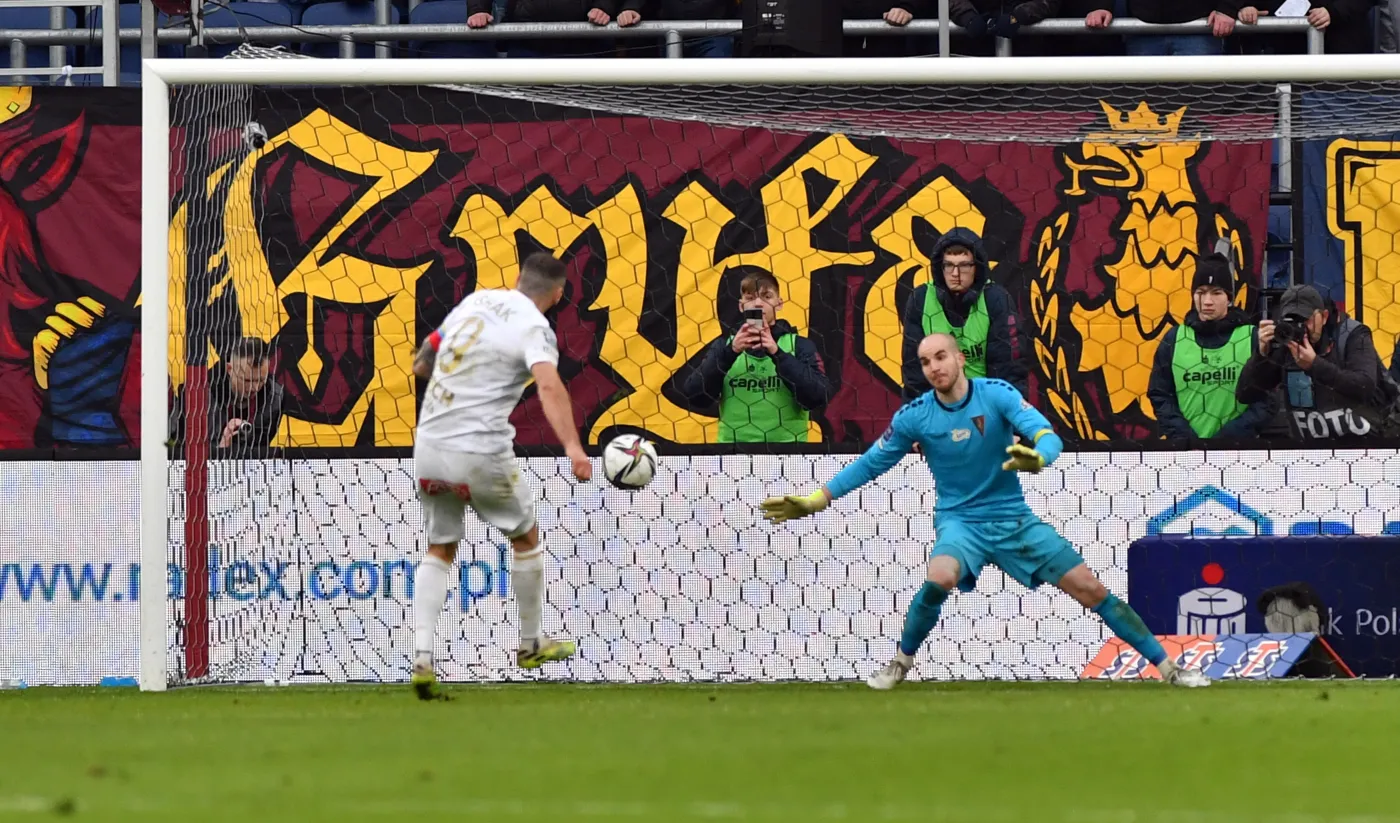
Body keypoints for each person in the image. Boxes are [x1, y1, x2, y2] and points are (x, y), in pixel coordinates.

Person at [761, 333, 1210, 690]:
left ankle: (1169, 668)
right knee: (940, 576)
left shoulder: (996, 395)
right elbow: (872, 462)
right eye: (925, 362)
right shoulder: (915, 416)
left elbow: (1046, 433)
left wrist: (1041, 456)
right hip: (961, 523)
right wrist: (818, 498)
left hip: (1014, 519)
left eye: (940, 357)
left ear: (959, 359)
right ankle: (900, 663)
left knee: (1091, 589)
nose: (934, 367)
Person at [408, 252, 592, 701]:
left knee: (440, 547)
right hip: (480, 450)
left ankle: (421, 655)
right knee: (525, 537)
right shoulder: (535, 327)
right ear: (559, 294)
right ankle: (530, 644)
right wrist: (573, 447)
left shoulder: (474, 302)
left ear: (516, 279)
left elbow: (421, 362)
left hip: (429, 445)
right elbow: (548, 384)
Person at [680, 270, 832, 443]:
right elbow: (694, 396)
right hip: (734, 457)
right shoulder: (725, 346)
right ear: (741, 305)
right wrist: (731, 352)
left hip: (789, 457)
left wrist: (778, 354)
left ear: (779, 303)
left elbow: (820, 397)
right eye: (750, 298)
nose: (758, 304)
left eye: (766, 296)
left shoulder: (799, 345)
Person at [1236, 284, 1391, 442]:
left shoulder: (1353, 335)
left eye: (1305, 319)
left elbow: (1365, 386)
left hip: (1363, 447)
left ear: (1324, 317)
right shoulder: (1287, 344)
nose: (1301, 327)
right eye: (1293, 320)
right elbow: (1245, 394)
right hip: (1309, 452)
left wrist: (1314, 365)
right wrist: (1261, 355)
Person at [1147, 254, 1273, 440]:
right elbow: (1160, 394)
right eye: (1201, 292)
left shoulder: (1252, 337)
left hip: (1239, 454)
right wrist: (1187, 440)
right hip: (1187, 455)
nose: (1207, 301)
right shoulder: (1174, 339)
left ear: (1229, 297)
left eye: (1216, 292)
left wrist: (1228, 439)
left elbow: (1268, 399)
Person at [901, 227, 1028, 401]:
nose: (955, 274)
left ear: (978, 267)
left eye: (964, 265)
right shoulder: (920, 299)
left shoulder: (995, 299)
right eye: (949, 265)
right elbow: (914, 373)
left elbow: (1009, 370)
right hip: (938, 407)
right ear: (940, 267)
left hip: (986, 405)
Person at [168, 337, 283, 455]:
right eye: (247, 380)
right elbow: (185, 452)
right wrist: (222, 449)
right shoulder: (197, 395)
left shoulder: (275, 397)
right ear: (229, 369)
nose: (255, 387)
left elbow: (261, 448)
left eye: (261, 380)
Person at [1087, 0, 1236, 56]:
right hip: (1143, 31)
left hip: (1199, 28)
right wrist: (1101, 7)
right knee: (1145, 102)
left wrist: (1227, 9)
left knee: (1199, 100)